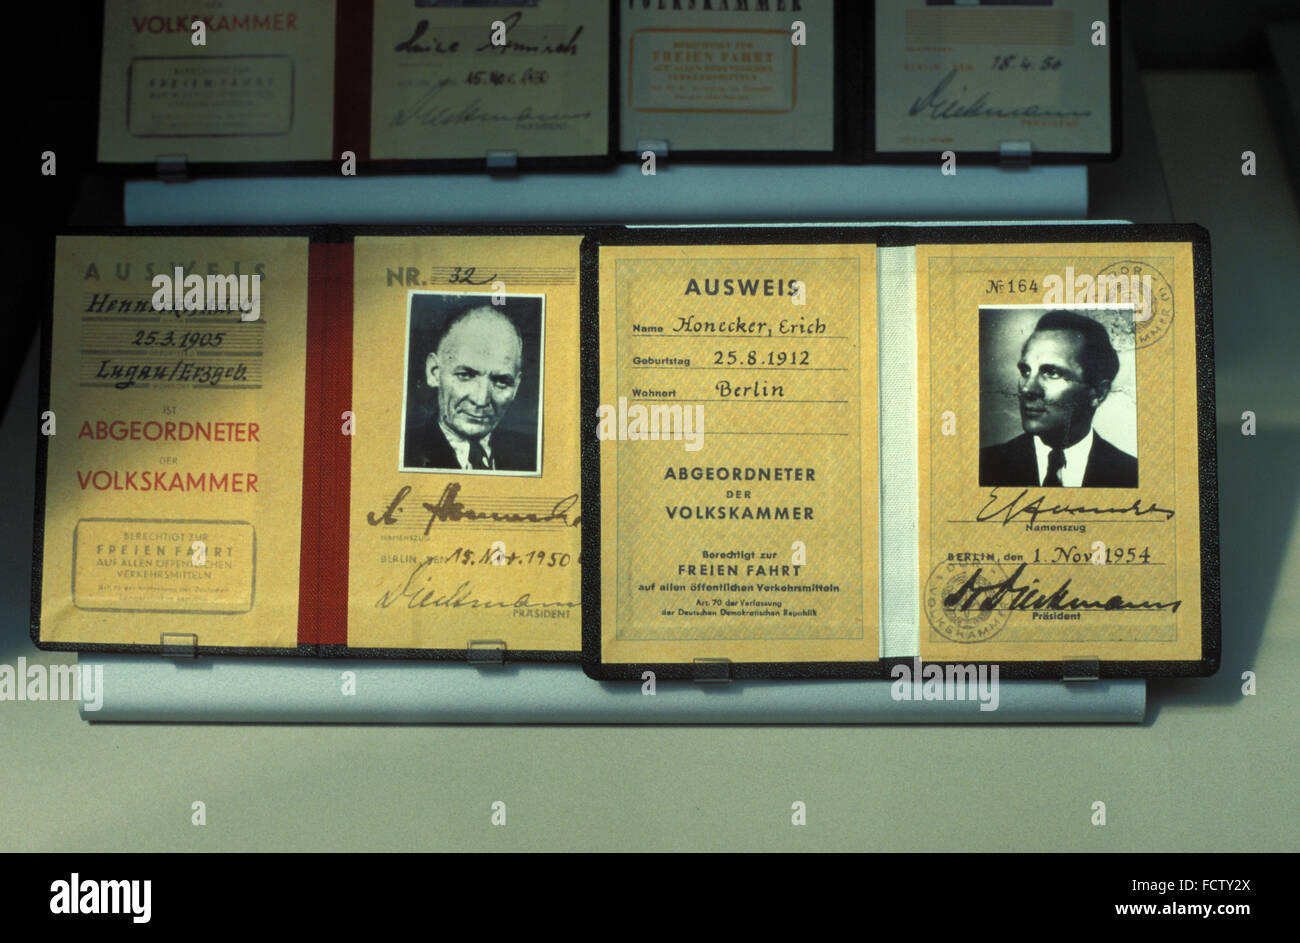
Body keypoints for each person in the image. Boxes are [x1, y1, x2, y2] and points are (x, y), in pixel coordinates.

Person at [979, 310, 1137, 488]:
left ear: (1098, 393)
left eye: (1051, 373)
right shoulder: (985, 466)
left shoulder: (1131, 475)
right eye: (1026, 371)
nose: (1027, 388)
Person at [404, 305, 536, 472]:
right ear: (434, 373)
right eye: (465, 375)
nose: (481, 400)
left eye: (501, 381)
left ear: (516, 386)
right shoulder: (403, 451)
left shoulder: (533, 454)